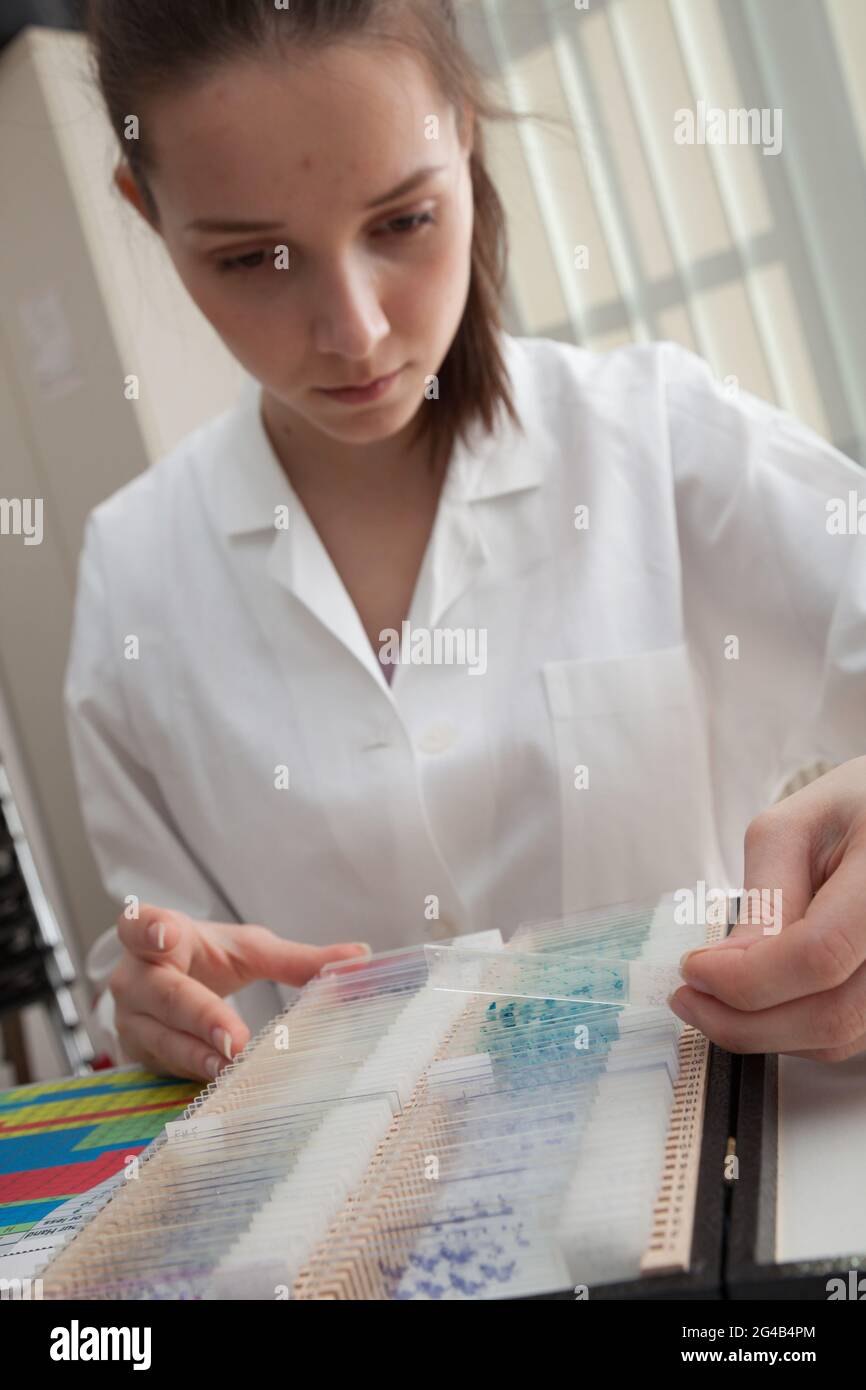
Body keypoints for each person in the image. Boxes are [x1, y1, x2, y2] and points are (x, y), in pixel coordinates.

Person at [66, 0, 866, 1083]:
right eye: (254, 258)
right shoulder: (133, 571)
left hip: (711, 1181)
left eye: (400, 221)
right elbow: (162, 966)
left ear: (463, 133)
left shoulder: (659, 438)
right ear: (147, 211)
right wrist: (152, 1006)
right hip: (347, 1236)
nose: (353, 329)